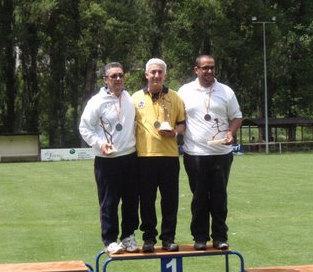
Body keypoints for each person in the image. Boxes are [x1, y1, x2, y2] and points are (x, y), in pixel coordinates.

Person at [178, 55, 242, 251]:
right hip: (195, 153)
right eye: (205, 68)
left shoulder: (226, 91)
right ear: (196, 70)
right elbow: (178, 119)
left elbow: (237, 117)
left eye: (212, 68)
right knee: (199, 198)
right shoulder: (185, 91)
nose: (209, 72)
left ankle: (220, 237)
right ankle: (199, 237)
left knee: (219, 197)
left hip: (222, 153)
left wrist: (231, 133)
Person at [79, 62, 139, 254]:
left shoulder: (130, 98)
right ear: (105, 79)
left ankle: (128, 237)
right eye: (113, 76)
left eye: (121, 75)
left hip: (130, 157)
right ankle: (110, 240)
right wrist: (100, 144)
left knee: (131, 200)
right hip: (107, 160)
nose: (118, 79)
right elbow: (84, 128)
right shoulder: (96, 102)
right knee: (109, 201)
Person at [131, 58, 186, 252]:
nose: (156, 76)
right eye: (152, 72)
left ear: (165, 75)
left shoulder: (175, 97)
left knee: (170, 199)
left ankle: (168, 238)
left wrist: (176, 133)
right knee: (146, 200)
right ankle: (148, 239)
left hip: (169, 157)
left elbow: (182, 123)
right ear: (146, 75)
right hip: (144, 157)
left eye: (160, 72)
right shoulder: (135, 98)